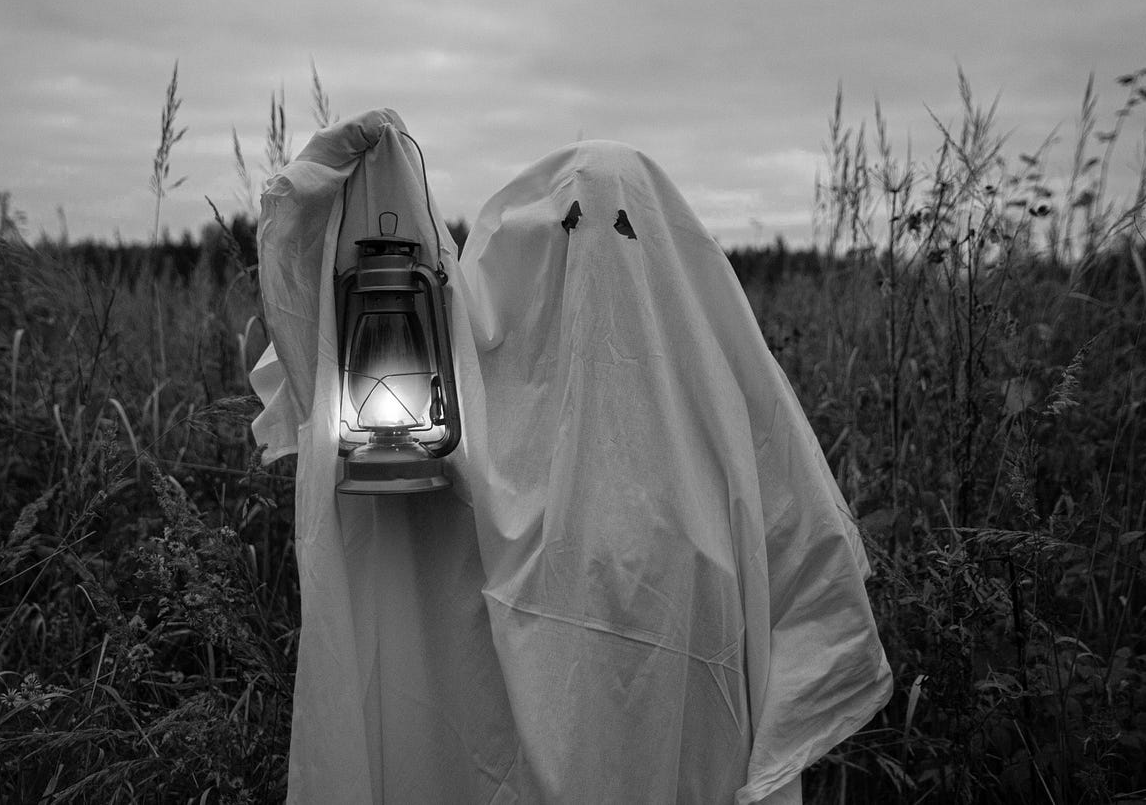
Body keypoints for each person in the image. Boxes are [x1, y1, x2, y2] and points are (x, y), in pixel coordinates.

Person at [252, 114, 892, 805]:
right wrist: (347, 181)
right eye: (570, 228)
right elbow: (323, 348)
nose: (594, 258)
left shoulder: (729, 436)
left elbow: (813, 576)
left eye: (624, 231)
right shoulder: (469, 437)